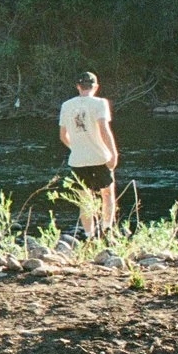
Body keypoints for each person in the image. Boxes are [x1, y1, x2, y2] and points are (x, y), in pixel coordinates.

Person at [59, 71, 118, 237]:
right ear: (96, 87)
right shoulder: (100, 103)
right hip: (100, 157)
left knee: (84, 200)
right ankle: (107, 230)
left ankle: (89, 235)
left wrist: (76, 148)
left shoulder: (66, 105)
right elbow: (104, 130)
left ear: (78, 86)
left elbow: (63, 136)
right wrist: (113, 153)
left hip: (77, 159)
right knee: (107, 194)